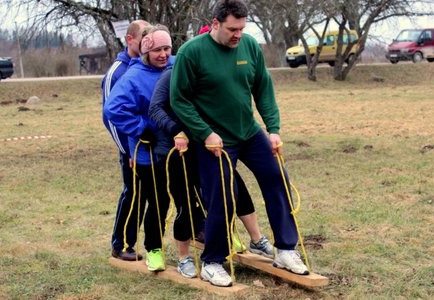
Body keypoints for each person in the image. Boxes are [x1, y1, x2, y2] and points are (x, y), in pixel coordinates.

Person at [170, 0, 309, 287]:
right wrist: (204, 133)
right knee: (224, 196)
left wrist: (273, 129)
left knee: (276, 178)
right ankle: (212, 262)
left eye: (242, 28)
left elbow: (263, 88)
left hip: (249, 132)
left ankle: (285, 250)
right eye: (232, 29)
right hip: (214, 140)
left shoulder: (249, 46)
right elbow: (179, 100)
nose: (238, 34)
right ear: (216, 23)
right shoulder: (191, 52)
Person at [148, 69, 275, 274]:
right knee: (187, 202)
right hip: (178, 148)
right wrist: (176, 131)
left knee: (235, 188)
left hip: (207, 144)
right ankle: (183, 258)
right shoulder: (173, 75)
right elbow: (155, 108)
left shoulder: (210, 72)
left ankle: (256, 239)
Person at [104, 24, 176, 272]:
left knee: (176, 196)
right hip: (145, 151)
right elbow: (113, 110)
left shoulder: (174, 66)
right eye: (157, 50)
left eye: (167, 48)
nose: (163, 54)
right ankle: (142, 247)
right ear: (146, 51)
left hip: (175, 147)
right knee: (152, 199)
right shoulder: (132, 77)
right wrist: (141, 129)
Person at [102, 19, 150, 261]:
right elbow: (111, 118)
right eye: (143, 36)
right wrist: (128, 152)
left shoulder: (145, 66)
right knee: (133, 194)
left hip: (151, 147)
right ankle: (120, 244)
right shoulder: (118, 72)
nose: (146, 41)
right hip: (131, 150)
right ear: (130, 39)